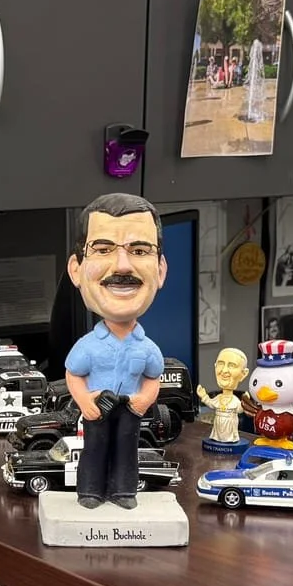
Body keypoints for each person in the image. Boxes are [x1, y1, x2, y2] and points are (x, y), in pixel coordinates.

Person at [63, 193, 168, 510]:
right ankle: (90, 491)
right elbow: (73, 374)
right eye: (103, 249)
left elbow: (154, 378)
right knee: (94, 449)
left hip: (130, 409)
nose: (123, 265)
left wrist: (144, 400)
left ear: (160, 270)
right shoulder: (88, 346)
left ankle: (124, 491)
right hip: (98, 406)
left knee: (127, 450)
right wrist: (84, 401)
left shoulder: (148, 348)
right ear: (76, 270)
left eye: (140, 250)